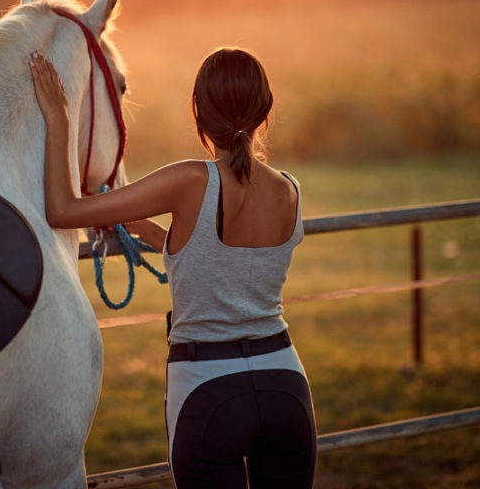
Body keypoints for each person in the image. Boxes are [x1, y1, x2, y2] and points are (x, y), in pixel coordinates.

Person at [30, 47, 316, 488]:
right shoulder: (289, 190)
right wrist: (143, 227)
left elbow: (62, 210)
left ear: (198, 112)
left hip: (209, 388)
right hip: (286, 385)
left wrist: (60, 118)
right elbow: (217, 259)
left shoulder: (189, 180)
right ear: (265, 111)